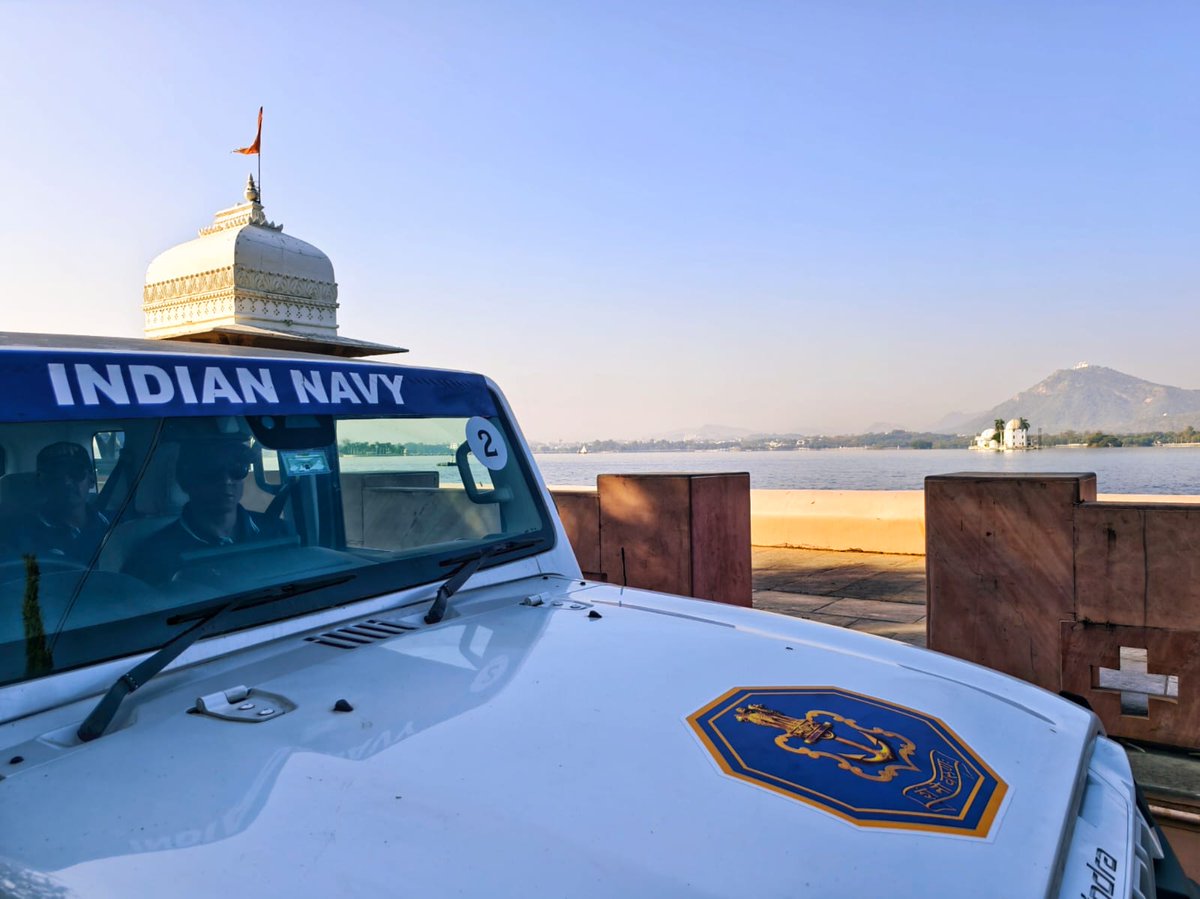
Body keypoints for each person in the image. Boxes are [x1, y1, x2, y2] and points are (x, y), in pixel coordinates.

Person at [123, 438, 289, 586]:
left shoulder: (278, 532)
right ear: (185, 481)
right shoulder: (152, 557)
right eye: (211, 471)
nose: (227, 480)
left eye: (238, 469)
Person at [8, 441, 110, 563]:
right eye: (55, 475)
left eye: (75, 473)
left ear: (91, 480)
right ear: (40, 483)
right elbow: (28, 580)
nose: (66, 482)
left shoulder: (114, 526)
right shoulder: (20, 534)